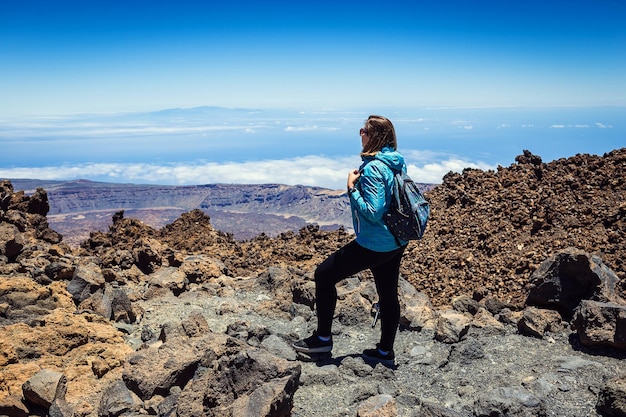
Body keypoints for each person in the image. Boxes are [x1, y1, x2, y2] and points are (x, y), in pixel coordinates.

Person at [292, 115, 408, 366]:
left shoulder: (376, 168)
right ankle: (385, 352)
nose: (360, 133)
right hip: (395, 240)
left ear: (375, 136)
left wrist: (351, 188)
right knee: (388, 294)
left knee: (324, 275)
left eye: (364, 130)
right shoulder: (395, 162)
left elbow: (373, 210)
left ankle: (322, 340)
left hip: (375, 243)